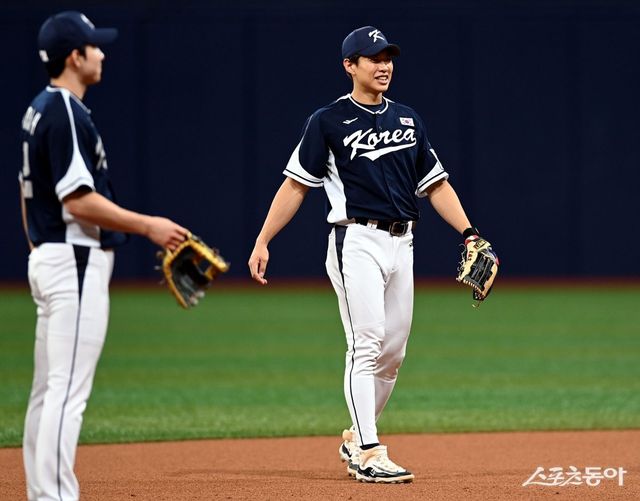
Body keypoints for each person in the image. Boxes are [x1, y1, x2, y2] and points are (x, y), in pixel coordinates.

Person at [249, 25, 493, 483]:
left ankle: (356, 434)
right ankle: (367, 451)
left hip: (404, 243)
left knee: (393, 352)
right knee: (366, 344)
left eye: (388, 58)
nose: (384, 66)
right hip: (356, 241)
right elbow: (295, 185)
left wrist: (469, 233)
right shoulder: (327, 121)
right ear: (350, 66)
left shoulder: (408, 119)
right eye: (373, 58)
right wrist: (263, 239)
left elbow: (436, 185)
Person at [19, 11, 188, 500]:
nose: (101, 53)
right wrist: (149, 225)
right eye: (93, 46)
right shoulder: (66, 111)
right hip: (73, 259)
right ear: (75, 57)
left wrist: (38, 246)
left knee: (48, 390)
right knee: (67, 391)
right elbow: (77, 200)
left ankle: (43, 493)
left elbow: (28, 193)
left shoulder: (39, 108)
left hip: (51, 256)